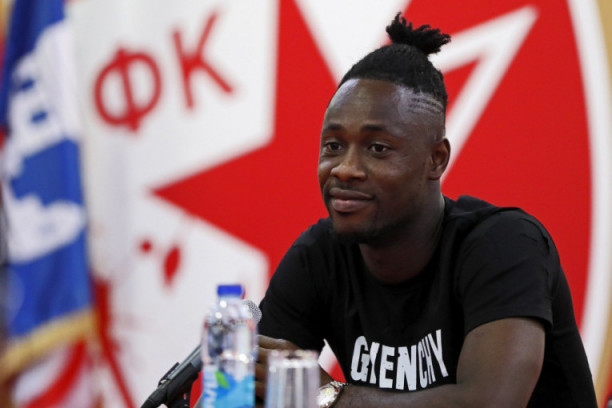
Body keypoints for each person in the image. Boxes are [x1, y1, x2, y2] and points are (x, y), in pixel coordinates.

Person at [255, 13, 598, 407]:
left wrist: (327, 395)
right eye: (333, 146)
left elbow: (488, 403)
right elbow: (251, 391)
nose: (345, 168)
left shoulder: (504, 244)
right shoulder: (319, 256)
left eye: (377, 148)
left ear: (436, 160)